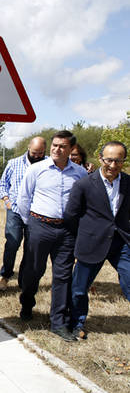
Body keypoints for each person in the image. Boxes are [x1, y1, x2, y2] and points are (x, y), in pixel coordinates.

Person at [17, 130, 87, 342]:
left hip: (66, 231)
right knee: (34, 270)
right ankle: (27, 303)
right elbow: (23, 199)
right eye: (54, 145)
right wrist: (32, 225)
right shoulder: (37, 170)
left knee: (63, 276)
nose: (57, 149)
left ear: (70, 149)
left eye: (62, 146)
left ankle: (58, 322)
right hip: (39, 226)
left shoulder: (80, 173)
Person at [65, 141, 130, 340]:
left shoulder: (128, 183)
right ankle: (77, 324)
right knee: (79, 288)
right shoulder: (84, 183)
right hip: (91, 243)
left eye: (118, 160)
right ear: (100, 159)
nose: (113, 165)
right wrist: (81, 239)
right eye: (109, 160)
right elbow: (71, 215)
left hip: (121, 243)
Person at [0, 136, 47, 292]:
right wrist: (7, 201)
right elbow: (3, 184)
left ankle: (24, 279)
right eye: (34, 152)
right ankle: (5, 275)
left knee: (31, 247)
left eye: (41, 153)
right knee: (12, 243)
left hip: (37, 213)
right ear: (28, 148)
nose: (37, 156)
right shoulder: (14, 163)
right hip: (15, 211)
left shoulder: (49, 164)